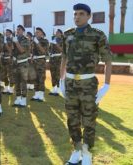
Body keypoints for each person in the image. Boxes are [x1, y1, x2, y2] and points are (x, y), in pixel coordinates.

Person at [59, 3, 112, 165]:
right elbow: (64, 58)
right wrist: (61, 80)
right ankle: (76, 150)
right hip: (70, 84)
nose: (77, 17)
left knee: (89, 120)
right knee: (72, 119)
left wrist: (107, 85)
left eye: (81, 14)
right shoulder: (67, 35)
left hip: (88, 84)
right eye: (75, 14)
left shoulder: (98, 35)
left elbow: (108, 61)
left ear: (89, 16)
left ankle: (87, 154)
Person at [12, 25, 30, 107]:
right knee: (17, 82)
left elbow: (22, 50)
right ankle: (18, 98)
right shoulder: (16, 39)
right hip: (16, 63)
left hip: (23, 63)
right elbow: (12, 50)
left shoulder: (26, 40)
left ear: (23, 31)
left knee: (23, 82)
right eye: (17, 29)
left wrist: (16, 42)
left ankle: (24, 99)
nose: (17, 31)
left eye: (19, 29)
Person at [31, 27, 49, 102]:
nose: (36, 33)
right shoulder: (34, 41)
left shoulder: (45, 41)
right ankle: (36, 94)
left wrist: (37, 43)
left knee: (41, 78)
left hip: (41, 61)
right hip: (35, 61)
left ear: (42, 33)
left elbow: (43, 51)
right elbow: (32, 51)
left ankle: (41, 95)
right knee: (35, 78)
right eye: (36, 32)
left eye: (38, 32)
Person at [49, 29, 63, 96]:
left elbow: (62, 50)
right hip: (52, 59)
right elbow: (49, 49)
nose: (56, 33)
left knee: (57, 74)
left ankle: (58, 89)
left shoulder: (62, 40)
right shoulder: (53, 40)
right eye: (56, 32)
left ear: (61, 34)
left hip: (58, 59)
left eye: (58, 32)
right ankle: (54, 88)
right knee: (53, 74)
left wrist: (56, 44)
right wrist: (49, 53)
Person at [1, 29, 14, 95]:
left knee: (10, 74)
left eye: (8, 32)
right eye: (6, 32)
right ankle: (6, 87)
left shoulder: (12, 40)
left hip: (9, 58)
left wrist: (5, 43)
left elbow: (10, 50)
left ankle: (11, 88)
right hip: (3, 59)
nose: (6, 33)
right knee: (4, 74)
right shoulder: (3, 40)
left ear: (10, 33)